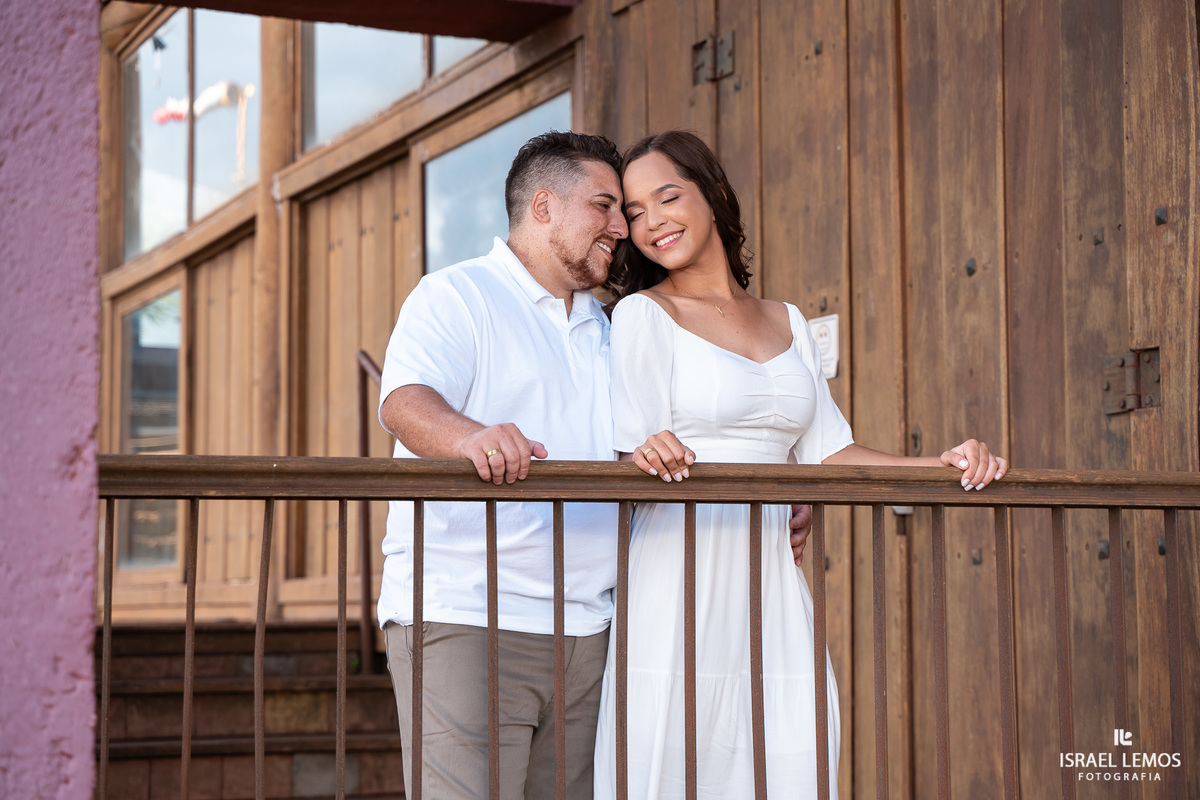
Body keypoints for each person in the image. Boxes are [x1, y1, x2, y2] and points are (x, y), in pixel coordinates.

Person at [592, 130, 1007, 799]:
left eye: (667, 197)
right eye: (634, 213)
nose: (652, 222)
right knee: (672, 755)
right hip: (678, 570)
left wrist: (940, 464)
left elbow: (830, 452)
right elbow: (626, 445)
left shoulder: (787, 320)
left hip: (770, 579)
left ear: (713, 194)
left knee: (790, 750)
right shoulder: (644, 315)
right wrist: (644, 450)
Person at [376, 131, 628, 799]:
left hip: (590, 628)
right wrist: (469, 438)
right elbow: (404, 401)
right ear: (543, 206)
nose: (622, 227)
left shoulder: (611, 327)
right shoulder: (457, 295)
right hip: (469, 616)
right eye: (605, 206)